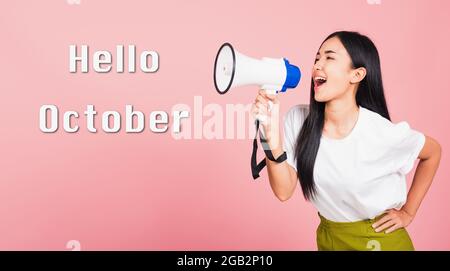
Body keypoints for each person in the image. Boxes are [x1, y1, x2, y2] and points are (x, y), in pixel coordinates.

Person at [251, 31, 441, 251]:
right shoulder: (298, 119)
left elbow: (432, 152)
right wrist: (269, 135)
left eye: (329, 58)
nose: (317, 66)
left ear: (357, 74)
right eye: (316, 58)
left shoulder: (379, 132)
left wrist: (408, 212)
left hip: (379, 241)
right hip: (330, 239)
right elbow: (283, 191)